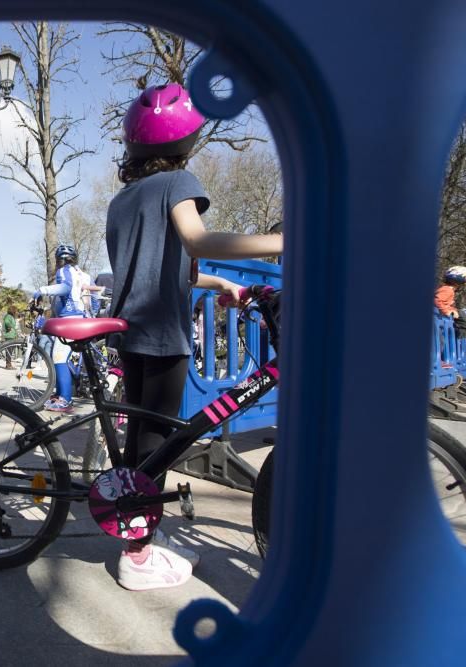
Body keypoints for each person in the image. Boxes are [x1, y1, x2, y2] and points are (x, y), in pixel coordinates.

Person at [106, 82, 284, 591]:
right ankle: (137, 554)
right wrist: (284, 240)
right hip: (163, 328)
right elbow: (198, 240)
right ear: (185, 141)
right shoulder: (179, 182)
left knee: (144, 437)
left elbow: (168, 267)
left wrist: (221, 281)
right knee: (158, 441)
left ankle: (136, 536)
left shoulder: (124, 199)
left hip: (132, 325)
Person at [33, 244, 94, 412]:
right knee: (64, 357)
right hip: (82, 319)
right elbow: (93, 300)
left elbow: (65, 288)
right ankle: (59, 394)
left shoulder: (64, 271)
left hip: (69, 320)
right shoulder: (85, 276)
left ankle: (65, 399)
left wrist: (42, 290)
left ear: (59, 260)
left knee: (59, 357)